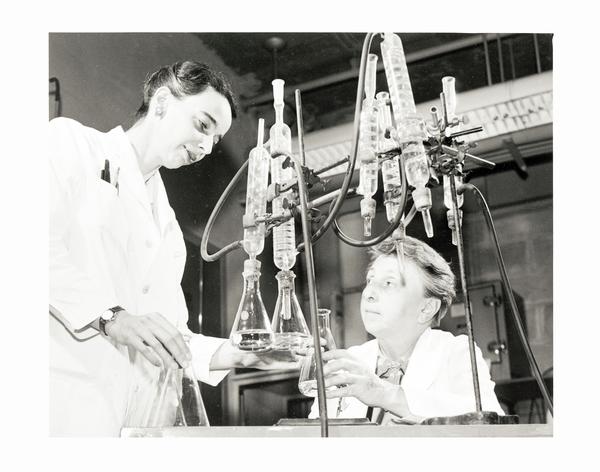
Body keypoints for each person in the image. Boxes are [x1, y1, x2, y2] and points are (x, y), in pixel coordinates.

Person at [49, 61, 296, 437]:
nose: (207, 146)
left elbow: (171, 334)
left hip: (134, 420)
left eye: (215, 140)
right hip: (59, 403)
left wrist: (239, 353)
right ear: (162, 102)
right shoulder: (70, 144)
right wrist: (111, 317)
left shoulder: (168, 228)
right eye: (203, 126)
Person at [309, 236, 505, 424]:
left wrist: (386, 394)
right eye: (370, 280)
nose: (368, 294)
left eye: (388, 283)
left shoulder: (455, 352)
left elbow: (489, 421)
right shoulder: (351, 361)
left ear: (426, 308)